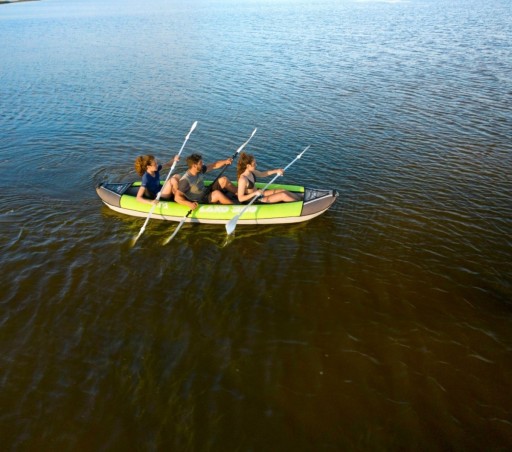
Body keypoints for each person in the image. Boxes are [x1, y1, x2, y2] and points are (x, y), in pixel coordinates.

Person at [236, 152, 302, 203]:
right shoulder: (243, 179)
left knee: (283, 190)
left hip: (259, 194)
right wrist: (255, 193)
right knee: (283, 195)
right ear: (248, 166)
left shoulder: (252, 172)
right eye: (254, 164)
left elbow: (262, 174)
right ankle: (299, 204)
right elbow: (240, 198)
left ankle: (301, 198)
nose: (256, 165)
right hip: (255, 199)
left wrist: (276, 171)